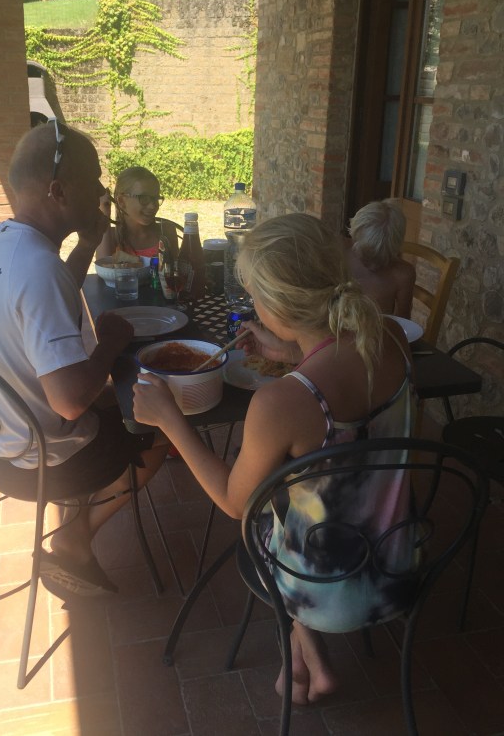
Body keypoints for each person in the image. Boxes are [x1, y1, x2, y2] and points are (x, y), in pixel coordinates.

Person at [133, 213, 415, 705]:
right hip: (397, 564)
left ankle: (303, 655)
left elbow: (232, 501)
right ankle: (307, 663)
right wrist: (293, 351)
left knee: (258, 517)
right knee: (289, 503)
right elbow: (340, 374)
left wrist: (170, 421)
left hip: (323, 591)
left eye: (256, 297)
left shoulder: (282, 402)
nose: (254, 307)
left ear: (279, 306)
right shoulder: (389, 338)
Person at [0, 120, 166, 597]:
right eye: (94, 182)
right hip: (32, 461)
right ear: (58, 190)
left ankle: (75, 520)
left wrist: (88, 243)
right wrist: (110, 339)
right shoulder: (38, 267)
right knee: (159, 426)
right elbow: (69, 402)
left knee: (113, 398)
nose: (102, 193)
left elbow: (40, 301)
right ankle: (75, 535)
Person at [346, 199, 415, 318]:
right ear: (353, 238)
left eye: (381, 258)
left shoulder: (403, 275)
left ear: (396, 250)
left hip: (377, 333)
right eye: (366, 255)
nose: (373, 266)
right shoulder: (341, 254)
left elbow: (403, 321)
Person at [96, 165, 179, 260]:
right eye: (144, 198)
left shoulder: (166, 232)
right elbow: (103, 265)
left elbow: (176, 271)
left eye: (155, 198)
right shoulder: (111, 236)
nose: (152, 206)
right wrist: (105, 213)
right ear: (122, 201)